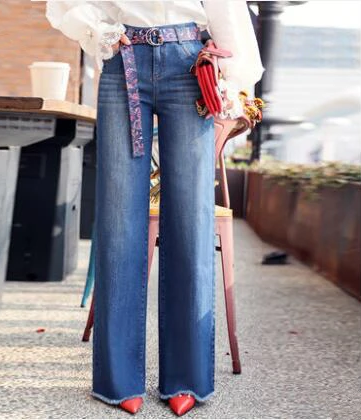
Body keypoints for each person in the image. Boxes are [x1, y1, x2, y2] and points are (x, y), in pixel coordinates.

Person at [45, 0, 263, 416]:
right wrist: (102, 31)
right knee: (119, 224)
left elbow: (227, 12)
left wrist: (234, 81)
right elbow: (64, 5)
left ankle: (187, 377)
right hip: (123, 61)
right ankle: (117, 379)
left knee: (190, 225)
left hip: (191, 64)